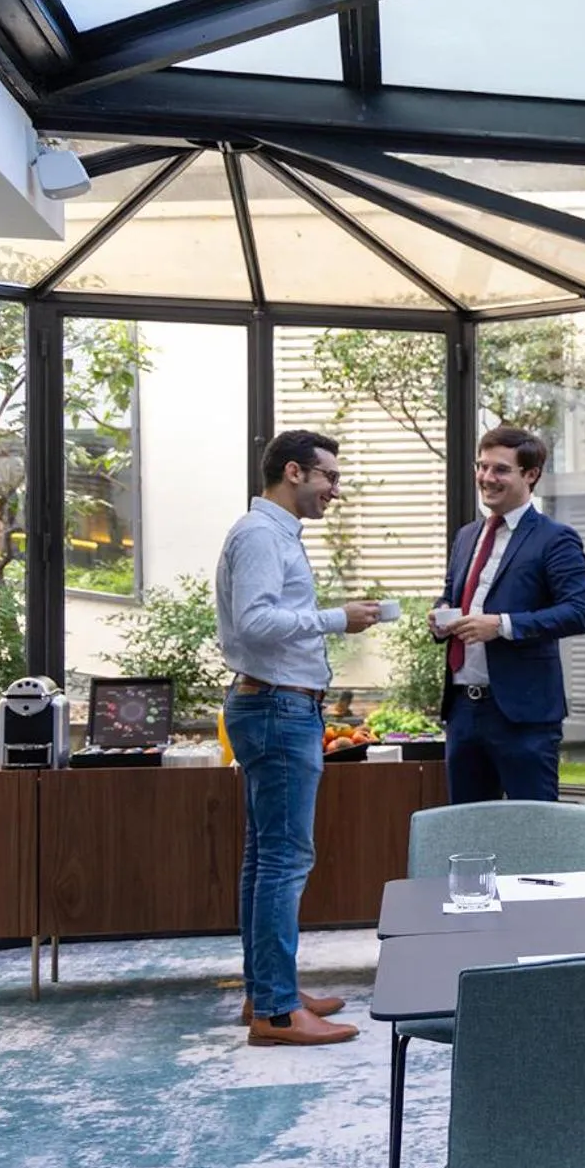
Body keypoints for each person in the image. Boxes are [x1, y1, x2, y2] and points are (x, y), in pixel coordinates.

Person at [216, 430, 381, 1047]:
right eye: (328, 478)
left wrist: (330, 615)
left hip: (273, 706)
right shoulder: (261, 534)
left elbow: (267, 617)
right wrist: (338, 619)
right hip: (279, 710)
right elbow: (258, 622)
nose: (335, 490)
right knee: (283, 862)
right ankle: (279, 1013)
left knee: (265, 861)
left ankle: (267, 991)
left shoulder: (271, 535)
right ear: (293, 472)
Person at [432, 426, 585, 805]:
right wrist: (440, 615)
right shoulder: (467, 536)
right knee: (467, 831)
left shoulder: (555, 538)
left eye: (501, 469)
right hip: (462, 711)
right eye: (481, 466)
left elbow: (579, 612)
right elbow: (451, 594)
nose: (487, 478)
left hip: (523, 717)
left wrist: (502, 625)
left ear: (531, 474)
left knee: (535, 833)